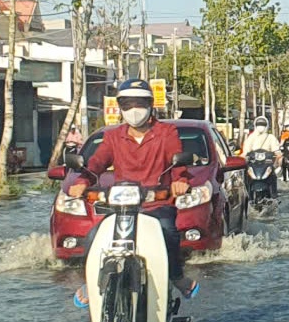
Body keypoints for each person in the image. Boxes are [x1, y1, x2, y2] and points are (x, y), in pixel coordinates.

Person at [70, 79, 198, 307]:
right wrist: (82, 181)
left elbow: (178, 163)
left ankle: (177, 277)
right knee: (93, 237)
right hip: (122, 207)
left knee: (169, 233)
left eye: (139, 103)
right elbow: (96, 163)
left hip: (157, 204)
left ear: (150, 105)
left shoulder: (166, 132)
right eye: (127, 104)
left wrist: (180, 181)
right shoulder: (113, 136)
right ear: (120, 107)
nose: (133, 110)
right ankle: (90, 281)